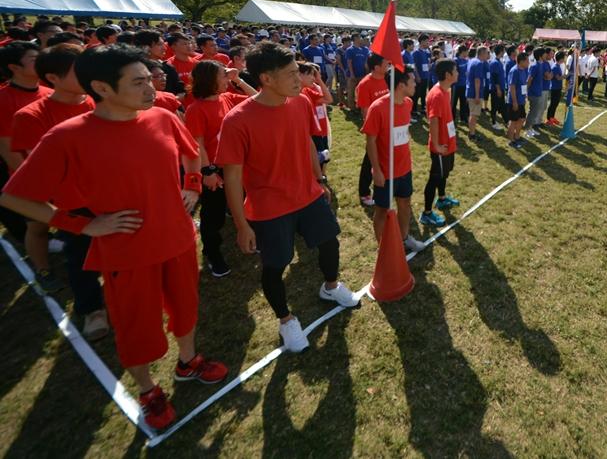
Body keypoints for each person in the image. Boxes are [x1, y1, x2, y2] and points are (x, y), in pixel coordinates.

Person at [0, 44, 228, 430]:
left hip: (179, 238)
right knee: (137, 326)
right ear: (102, 88)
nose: (151, 88)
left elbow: (191, 154)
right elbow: (15, 197)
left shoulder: (162, 117)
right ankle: (148, 390)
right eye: (138, 82)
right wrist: (84, 225)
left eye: (148, 79)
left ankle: (189, 360)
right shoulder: (66, 136)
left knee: (187, 307)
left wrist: (191, 185)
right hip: (126, 251)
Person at [217, 42, 358, 355]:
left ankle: (331, 286)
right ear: (266, 79)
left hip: (308, 195)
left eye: (298, 71)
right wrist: (242, 225)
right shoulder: (237, 120)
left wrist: (320, 179)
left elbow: (307, 140)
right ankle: (286, 319)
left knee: (330, 242)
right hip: (269, 208)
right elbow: (232, 177)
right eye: (292, 74)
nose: (300, 79)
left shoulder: (300, 103)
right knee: (275, 266)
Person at [11, 45, 104, 339]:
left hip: (114, 192)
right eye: (80, 70)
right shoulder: (31, 115)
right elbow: (38, 167)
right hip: (73, 200)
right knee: (81, 255)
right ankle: (92, 310)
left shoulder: (98, 101)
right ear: (53, 77)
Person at [184, 60, 254, 278]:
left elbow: (255, 99)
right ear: (209, 80)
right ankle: (213, 254)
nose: (227, 77)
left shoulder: (227, 98)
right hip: (215, 169)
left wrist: (238, 80)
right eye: (223, 75)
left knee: (241, 204)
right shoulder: (196, 109)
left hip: (234, 165)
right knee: (213, 217)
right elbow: (198, 144)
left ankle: (248, 237)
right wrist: (208, 172)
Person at [360, 67, 425, 253]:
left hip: (404, 168)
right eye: (412, 80)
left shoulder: (408, 103)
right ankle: (384, 250)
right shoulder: (378, 108)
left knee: (405, 203)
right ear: (401, 84)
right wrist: (377, 170)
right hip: (385, 172)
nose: (416, 83)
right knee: (381, 210)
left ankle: (404, 239)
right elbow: (370, 141)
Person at [0, 42, 52, 244]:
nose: (41, 62)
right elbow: (7, 148)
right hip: (31, 175)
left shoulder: (50, 93)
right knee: (38, 226)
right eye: (33, 59)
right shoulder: (4, 101)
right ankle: (43, 269)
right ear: (14, 68)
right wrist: (33, 179)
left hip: (62, 172)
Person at [421, 59, 460, 227]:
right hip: (440, 145)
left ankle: (442, 198)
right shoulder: (436, 94)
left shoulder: (447, 90)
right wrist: (436, 145)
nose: (458, 73)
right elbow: (433, 121)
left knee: (445, 173)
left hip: (448, 142)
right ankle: (427, 213)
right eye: (455, 71)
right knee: (435, 177)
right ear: (447, 75)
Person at [355, 53, 391, 207]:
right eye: (385, 63)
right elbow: (365, 110)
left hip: (389, 126)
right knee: (370, 158)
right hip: (376, 128)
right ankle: (364, 192)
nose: (388, 65)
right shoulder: (365, 84)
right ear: (376, 67)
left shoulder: (387, 79)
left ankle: (385, 186)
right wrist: (373, 129)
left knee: (384, 157)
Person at [465, 46, 489, 141]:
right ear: (482, 53)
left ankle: (472, 132)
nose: (488, 55)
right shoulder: (478, 63)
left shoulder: (472, 60)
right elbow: (477, 80)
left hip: (470, 90)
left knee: (472, 114)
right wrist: (477, 95)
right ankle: (472, 134)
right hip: (474, 92)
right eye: (487, 53)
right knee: (474, 114)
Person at [506, 52, 530, 149]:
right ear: (522, 61)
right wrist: (515, 102)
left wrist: (524, 96)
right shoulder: (514, 71)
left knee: (522, 119)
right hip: (514, 101)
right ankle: (511, 140)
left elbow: (524, 84)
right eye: (527, 61)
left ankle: (517, 136)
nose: (529, 62)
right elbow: (512, 87)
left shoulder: (524, 70)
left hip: (521, 100)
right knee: (513, 121)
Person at [488, 43, 508, 131]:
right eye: (503, 50)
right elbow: (495, 77)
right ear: (501, 51)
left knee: (502, 106)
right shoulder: (494, 62)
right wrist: (498, 89)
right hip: (496, 89)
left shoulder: (499, 61)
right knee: (495, 106)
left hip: (501, 88)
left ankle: (506, 121)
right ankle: (493, 122)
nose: (504, 52)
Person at [412, 35, 432, 114]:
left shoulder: (426, 52)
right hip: (419, 77)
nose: (428, 43)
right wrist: (417, 76)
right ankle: (414, 110)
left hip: (425, 76)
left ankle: (423, 108)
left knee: (424, 93)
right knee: (416, 94)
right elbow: (414, 65)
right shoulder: (416, 53)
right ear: (422, 41)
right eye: (427, 41)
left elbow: (428, 62)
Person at [452, 45, 470, 125]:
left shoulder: (466, 60)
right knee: (453, 103)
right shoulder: (456, 61)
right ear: (463, 52)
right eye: (467, 51)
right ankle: (452, 119)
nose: (467, 53)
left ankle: (463, 118)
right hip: (456, 85)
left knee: (464, 102)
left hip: (464, 85)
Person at [546, 51, 566, 125]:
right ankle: (548, 118)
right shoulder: (555, 67)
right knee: (553, 104)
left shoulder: (558, 66)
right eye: (563, 58)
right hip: (554, 88)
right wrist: (567, 76)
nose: (564, 59)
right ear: (560, 59)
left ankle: (552, 117)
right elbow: (558, 78)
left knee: (556, 103)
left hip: (558, 87)